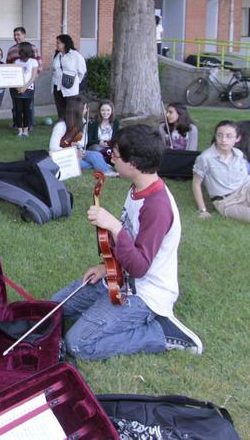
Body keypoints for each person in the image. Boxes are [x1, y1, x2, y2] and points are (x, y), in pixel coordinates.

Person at [49, 125, 202, 360]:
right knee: (50, 310)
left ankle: (160, 333)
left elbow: (140, 267)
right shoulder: (138, 187)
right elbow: (131, 244)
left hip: (145, 293)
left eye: (115, 155)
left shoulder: (157, 207)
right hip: (120, 278)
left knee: (78, 343)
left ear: (133, 164)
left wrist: (115, 227)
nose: (110, 159)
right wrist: (105, 267)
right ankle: (107, 310)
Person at [51, 97, 117, 177]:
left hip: (77, 152)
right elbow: (53, 148)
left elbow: (83, 143)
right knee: (86, 164)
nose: (86, 110)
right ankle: (103, 167)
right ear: (78, 110)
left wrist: (79, 149)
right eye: (85, 108)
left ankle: (107, 171)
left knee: (96, 155)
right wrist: (73, 152)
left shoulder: (83, 122)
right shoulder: (61, 125)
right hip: (63, 156)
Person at [6, 26, 40, 126]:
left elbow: (39, 66)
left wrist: (27, 84)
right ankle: (17, 124)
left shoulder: (33, 48)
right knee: (16, 106)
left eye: (18, 34)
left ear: (24, 35)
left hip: (29, 84)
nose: (16, 37)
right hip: (15, 85)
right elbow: (8, 66)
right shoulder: (11, 49)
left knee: (28, 106)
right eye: (14, 35)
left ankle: (29, 124)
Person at [51, 34, 87, 121]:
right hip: (57, 86)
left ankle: (72, 128)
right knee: (61, 110)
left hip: (70, 88)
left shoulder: (75, 55)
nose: (57, 45)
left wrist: (75, 82)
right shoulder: (57, 55)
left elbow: (82, 71)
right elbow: (54, 70)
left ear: (65, 43)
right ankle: (62, 127)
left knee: (71, 111)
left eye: (59, 43)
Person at [12, 42, 39, 137]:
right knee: (18, 110)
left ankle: (26, 130)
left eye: (20, 49)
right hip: (18, 89)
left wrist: (25, 87)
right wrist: (18, 87)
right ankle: (20, 130)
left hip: (29, 89)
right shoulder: (17, 61)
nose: (18, 50)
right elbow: (14, 75)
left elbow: (33, 77)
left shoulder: (33, 61)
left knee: (27, 110)